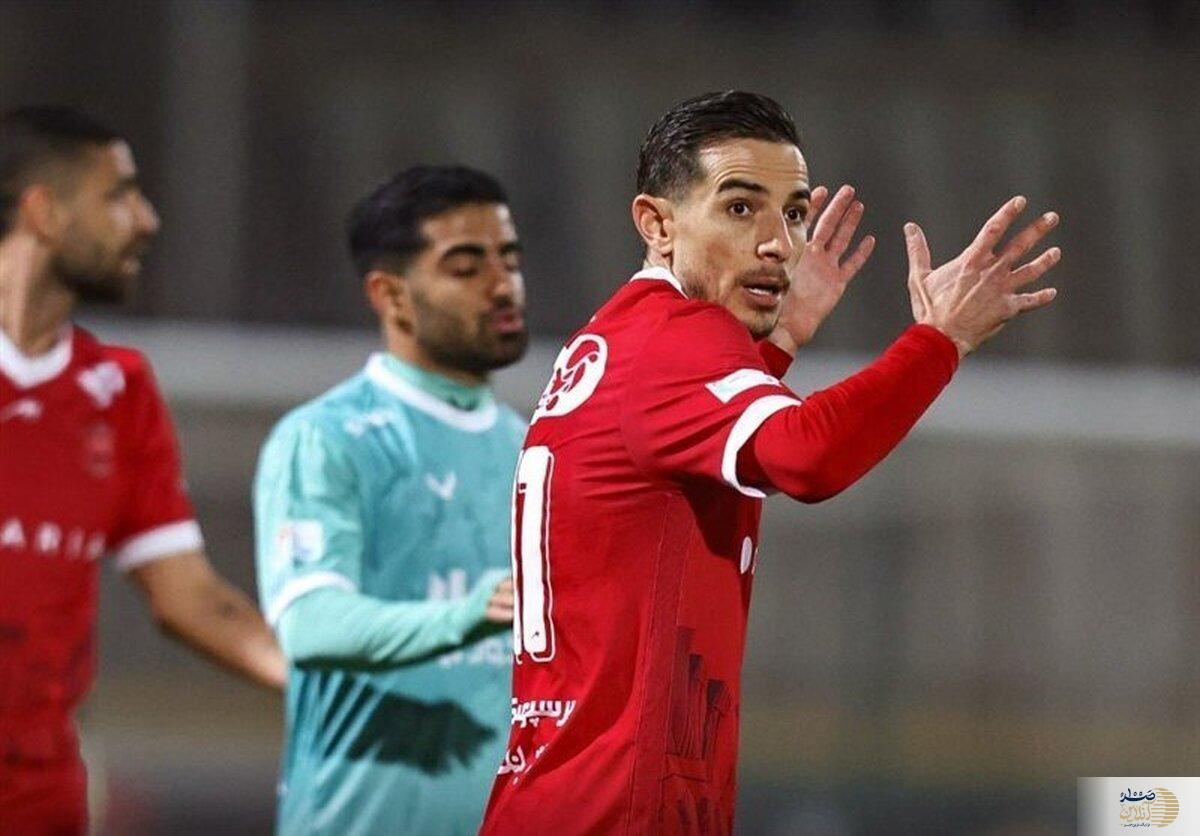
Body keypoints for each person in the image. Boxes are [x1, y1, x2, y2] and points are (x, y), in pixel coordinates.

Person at [481, 91, 1061, 835]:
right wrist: (939, 341)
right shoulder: (676, 338)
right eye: (739, 208)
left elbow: (684, 446)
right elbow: (806, 458)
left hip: (560, 794)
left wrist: (778, 344)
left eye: (791, 214)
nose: (779, 244)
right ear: (657, 224)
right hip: (619, 811)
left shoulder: (617, 342)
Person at [0, 106, 286, 834]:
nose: (146, 220)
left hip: (41, 805)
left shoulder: (118, 389)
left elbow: (188, 598)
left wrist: (328, 684)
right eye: (118, 195)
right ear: (44, 212)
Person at [252, 165, 529, 835]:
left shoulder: (533, 447)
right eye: (466, 266)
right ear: (390, 295)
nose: (503, 285)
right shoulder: (327, 438)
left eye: (510, 259)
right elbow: (310, 624)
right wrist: (464, 615)